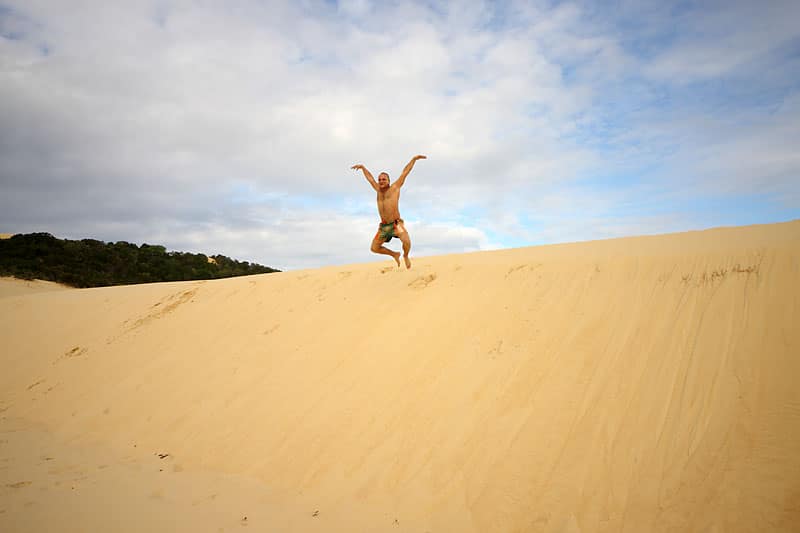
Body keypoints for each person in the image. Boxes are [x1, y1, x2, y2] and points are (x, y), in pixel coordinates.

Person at [351, 155, 426, 269]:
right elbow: (370, 178)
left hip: (396, 224)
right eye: (380, 179)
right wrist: (363, 168)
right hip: (384, 227)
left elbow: (405, 172)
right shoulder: (377, 189)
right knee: (374, 248)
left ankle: (405, 255)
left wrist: (413, 160)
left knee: (406, 240)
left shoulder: (395, 187)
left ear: (389, 181)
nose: (381, 181)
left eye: (384, 179)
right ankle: (394, 254)